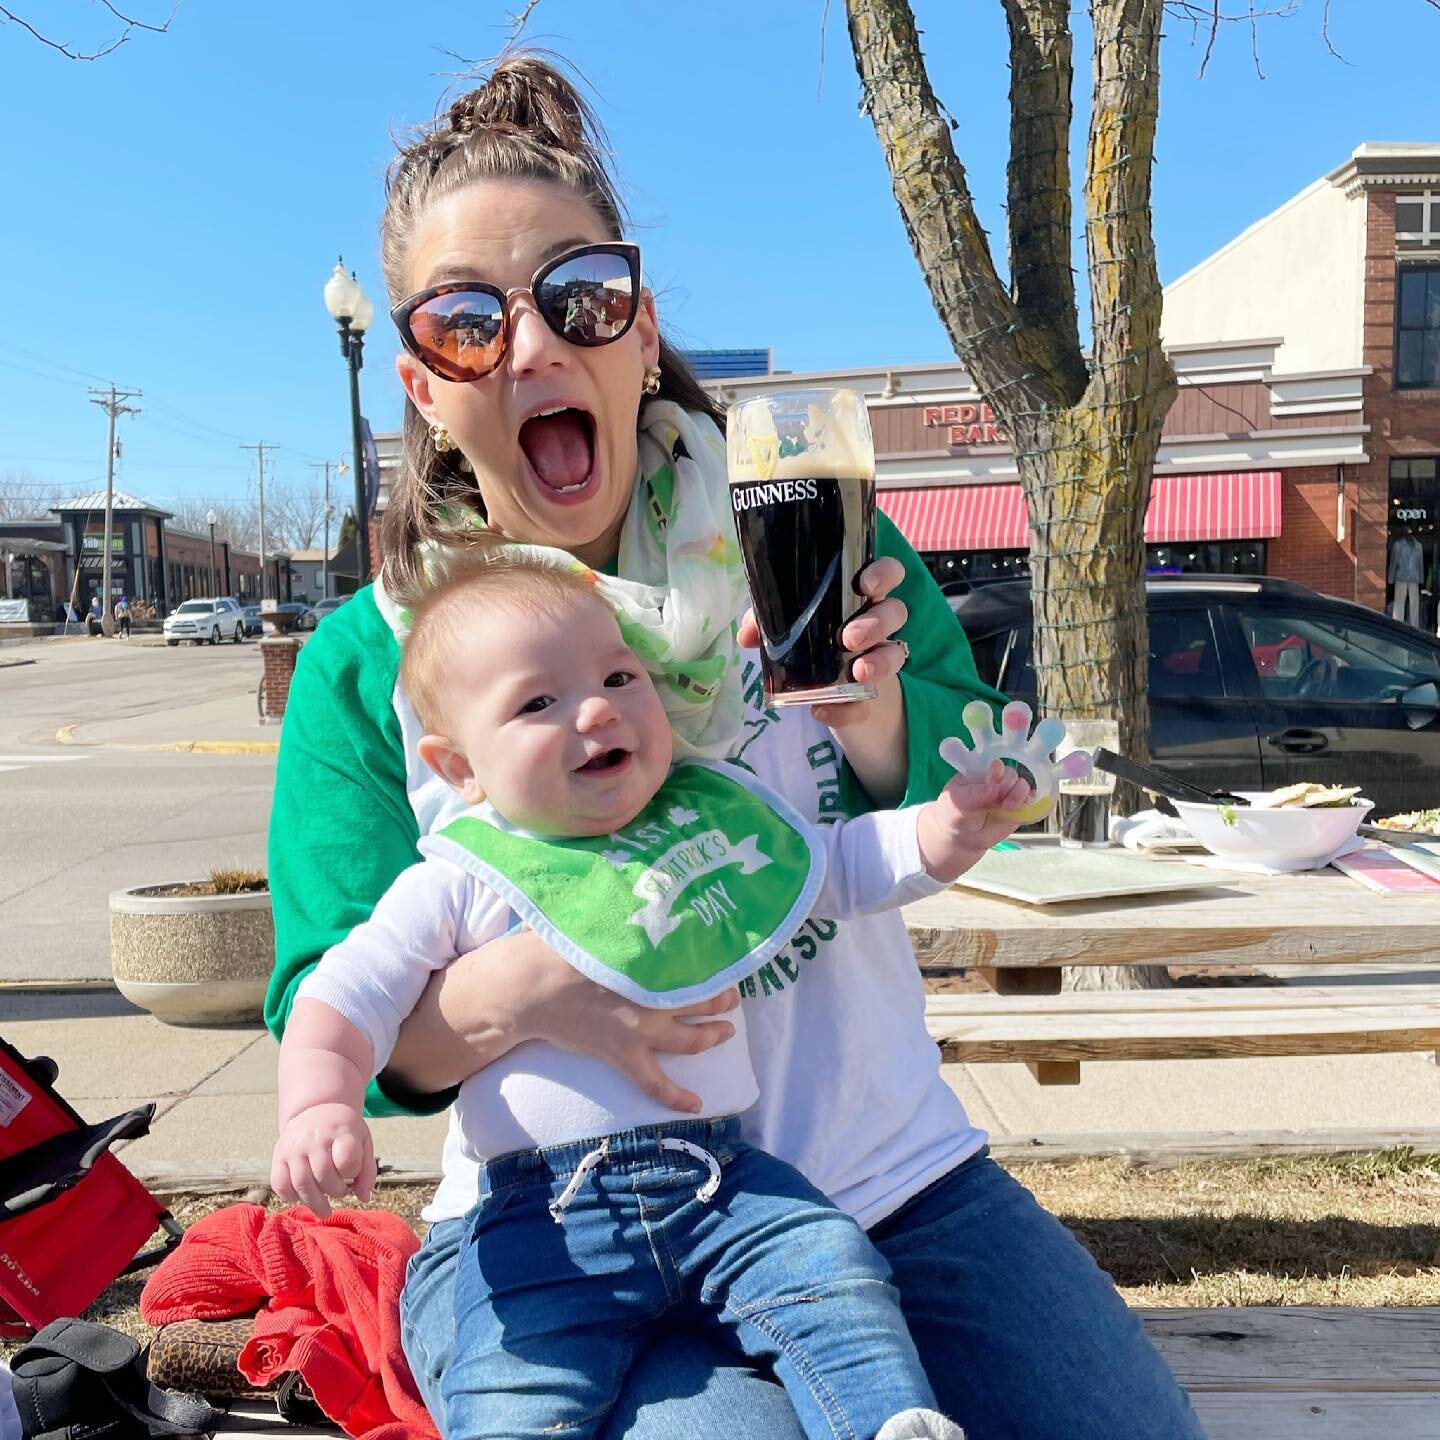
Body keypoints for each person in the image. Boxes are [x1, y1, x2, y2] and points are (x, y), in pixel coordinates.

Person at [265, 55, 1204, 1440]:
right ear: (419, 382)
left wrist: (880, 715)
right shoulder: (369, 663)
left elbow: (960, 792)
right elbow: (327, 1010)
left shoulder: (816, 539)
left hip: (889, 1173)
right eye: (470, 324)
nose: (533, 348)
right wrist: (549, 980)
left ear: (639, 333)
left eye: (580, 297)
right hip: (569, 1218)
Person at [274, 551, 1034, 1440]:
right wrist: (318, 1104)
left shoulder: (700, 817)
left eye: (619, 676)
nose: (595, 708)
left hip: (726, 1183)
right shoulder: (465, 875)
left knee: (833, 1274)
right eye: (537, 703)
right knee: (518, 1384)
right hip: (544, 1218)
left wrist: (940, 830)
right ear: (458, 767)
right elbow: (343, 993)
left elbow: (833, 868)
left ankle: (888, 1425)